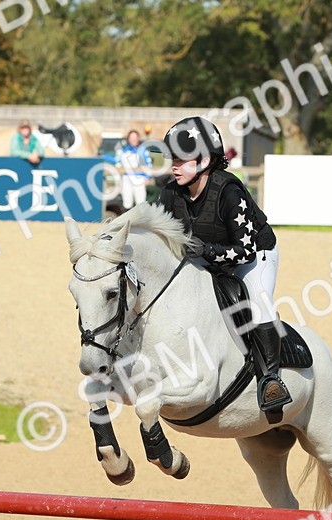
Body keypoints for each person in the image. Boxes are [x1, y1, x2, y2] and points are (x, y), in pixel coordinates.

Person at [156, 116, 290, 413]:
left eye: (181, 159)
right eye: (172, 158)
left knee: (258, 302)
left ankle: (271, 381)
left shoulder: (230, 191)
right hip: (207, 255)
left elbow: (245, 252)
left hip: (256, 255)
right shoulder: (169, 193)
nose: (173, 165)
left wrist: (206, 249)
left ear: (205, 160)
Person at [117, 129, 151, 209]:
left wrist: (147, 177)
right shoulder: (124, 150)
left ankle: (140, 220)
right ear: (128, 139)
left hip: (139, 178)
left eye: (135, 137)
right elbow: (117, 161)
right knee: (127, 201)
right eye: (131, 137)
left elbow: (148, 164)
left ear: (138, 138)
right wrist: (103, 156)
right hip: (126, 178)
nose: (133, 139)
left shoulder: (142, 150)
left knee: (140, 201)